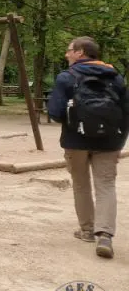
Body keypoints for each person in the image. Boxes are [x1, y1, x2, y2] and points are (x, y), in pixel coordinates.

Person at [47, 36, 129, 259]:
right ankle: (105, 235)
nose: (66, 54)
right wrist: (120, 140)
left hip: (76, 141)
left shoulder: (67, 78)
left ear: (80, 52)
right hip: (110, 141)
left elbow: (54, 113)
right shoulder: (116, 77)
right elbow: (125, 111)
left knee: (81, 185)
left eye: (69, 50)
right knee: (106, 185)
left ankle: (87, 231)